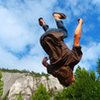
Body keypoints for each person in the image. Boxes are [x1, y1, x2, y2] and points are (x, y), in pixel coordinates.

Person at [39, 12, 83, 87]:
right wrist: (45, 60)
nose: (74, 76)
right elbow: (44, 63)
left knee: (64, 32)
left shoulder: (74, 59)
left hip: (53, 34)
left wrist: (80, 23)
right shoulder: (54, 72)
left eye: (74, 78)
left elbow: (76, 36)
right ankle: (43, 24)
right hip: (43, 41)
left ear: (71, 76)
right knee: (52, 39)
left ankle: (56, 17)